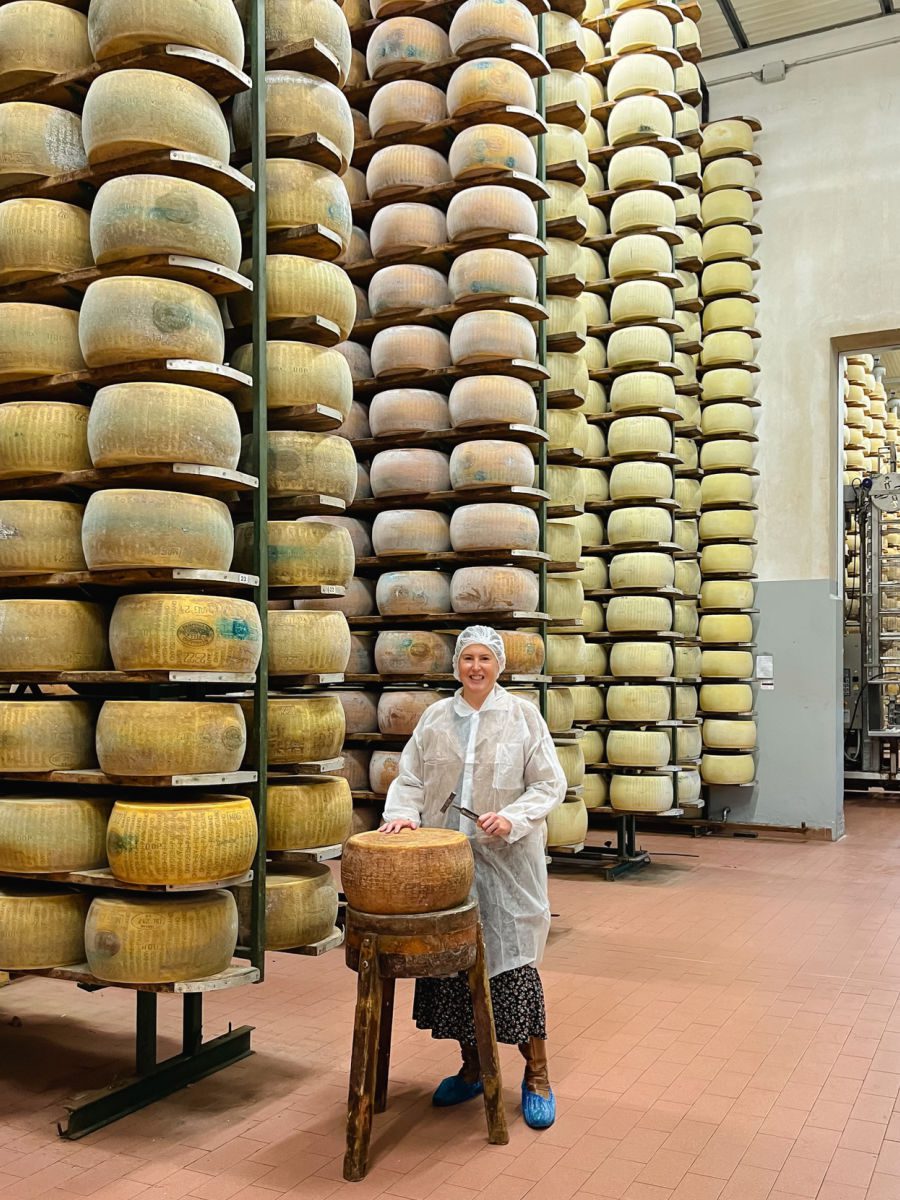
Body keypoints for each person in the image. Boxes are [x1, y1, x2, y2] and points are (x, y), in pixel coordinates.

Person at [379, 625, 567, 1129]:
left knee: (512, 969)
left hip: (506, 867)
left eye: (485, 658)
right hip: (449, 867)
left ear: (498, 665)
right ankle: (472, 1067)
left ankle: (536, 1075)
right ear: (457, 664)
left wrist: (513, 817)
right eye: (468, 658)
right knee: (456, 971)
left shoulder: (523, 716)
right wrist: (403, 814)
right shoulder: (438, 717)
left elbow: (549, 783)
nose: (476, 667)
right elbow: (412, 778)